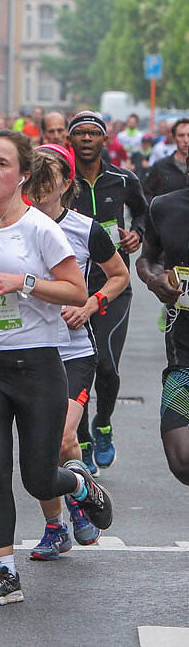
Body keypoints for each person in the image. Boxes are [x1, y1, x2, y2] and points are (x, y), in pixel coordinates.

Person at [0, 129, 113, 606]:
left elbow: (75, 290)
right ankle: (4, 572)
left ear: (23, 175)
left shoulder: (41, 229)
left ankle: (78, 483)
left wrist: (25, 282)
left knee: (38, 478)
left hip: (37, 365)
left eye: (2, 164)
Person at [26, 144, 129, 559]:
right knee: (47, 447)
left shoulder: (86, 230)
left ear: (66, 183)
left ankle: (79, 498)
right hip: (28, 349)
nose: (39, 188)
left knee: (63, 436)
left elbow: (119, 275)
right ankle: (60, 522)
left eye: (47, 179)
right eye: (33, 179)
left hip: (73, 351)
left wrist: (89, 305)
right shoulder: (13, 226)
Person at [68, 111, 147, 474]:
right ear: (71, 140)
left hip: (115, 287)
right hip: (73, 289)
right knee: (80, 367)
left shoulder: (123, 179)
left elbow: (144, 214)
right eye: (80, 134)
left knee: (106, 366)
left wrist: (137, 234)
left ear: (104, 139)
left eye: (93, 134)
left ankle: (103, 423)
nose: (86, 139)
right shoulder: (63, 181)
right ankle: (82, 438)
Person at [136, 172, 189, 489]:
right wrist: (154, 279)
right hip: (184, 352)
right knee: (181, 459)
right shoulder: (164, 207)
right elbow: (147, 259)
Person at [144, 118, 189, 201]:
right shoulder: (160, 166)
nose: (186, 140)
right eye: (181, 135)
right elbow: (146, 193)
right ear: (174, 137)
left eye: (188, 135)